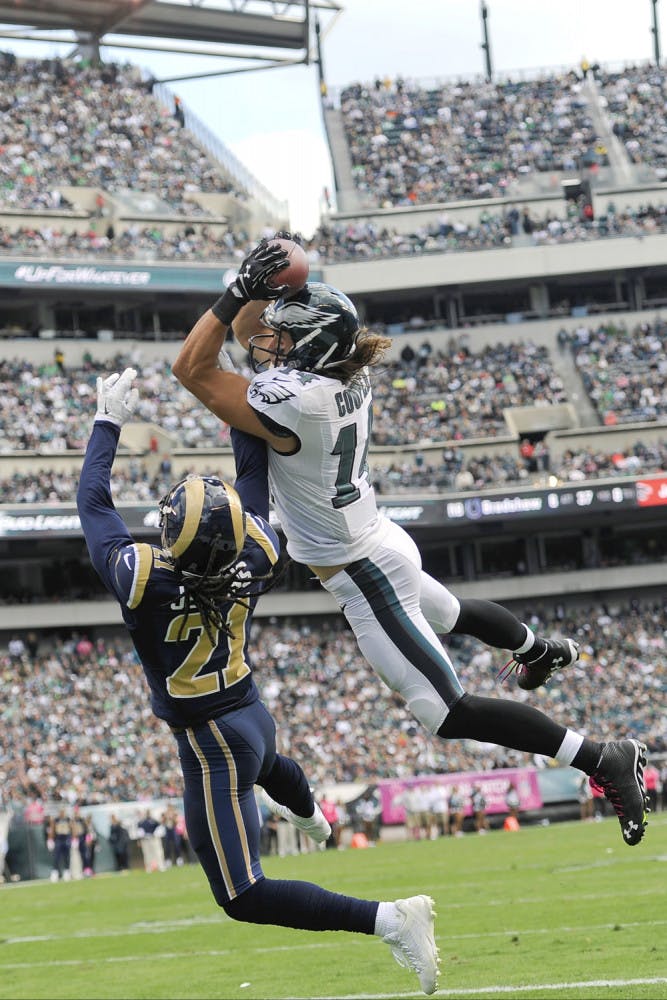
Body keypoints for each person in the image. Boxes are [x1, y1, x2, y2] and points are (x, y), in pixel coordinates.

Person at [172, 236, 650, 850]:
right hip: (377, 537)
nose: (270, 343)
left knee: (446, 712)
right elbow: (251, 338)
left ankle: (602, 756)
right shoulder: (341, 372)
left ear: (309, 348)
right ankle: (536, 649)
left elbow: (192, 368)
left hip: (363, 570)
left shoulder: (299, 402)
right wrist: (268, 292)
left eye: (284, 337)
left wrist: (239, 291)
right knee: (451, 613)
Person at [76, 366, 440, 995]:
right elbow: (252, 475)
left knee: (242, 894)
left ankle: (390, 919)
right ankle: (313, 817)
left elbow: (93, 504)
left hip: (211, 739)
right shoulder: (260, 555)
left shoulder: (141, 577)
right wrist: (241, 394)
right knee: (271, 765)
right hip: (250, 711)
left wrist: (108, 421)